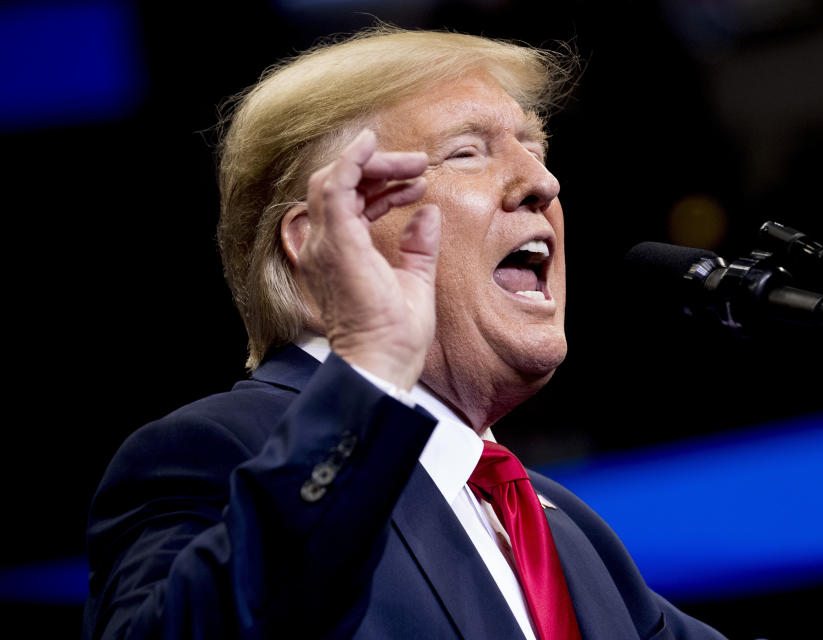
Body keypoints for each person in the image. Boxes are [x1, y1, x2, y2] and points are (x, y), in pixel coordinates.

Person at [83, 26, 728, 639]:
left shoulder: (567, 532)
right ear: (327, 245)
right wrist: (368, 372)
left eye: (536, 149)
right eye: (466, 152)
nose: (543, 183)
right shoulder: (213, 450)